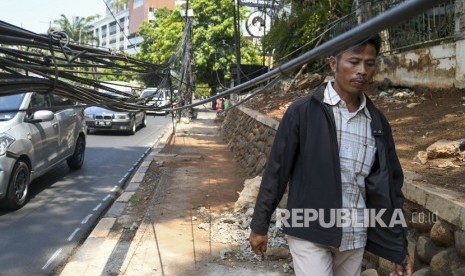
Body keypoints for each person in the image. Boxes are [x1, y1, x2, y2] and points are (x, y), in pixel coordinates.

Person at [249, 33, 412, 276]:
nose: (362, 71)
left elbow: (390, 188)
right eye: (354, 61)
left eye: (369, 63)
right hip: (309, 232)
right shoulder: (302, 112)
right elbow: (276, 170)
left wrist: (399, 248)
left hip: (354, 236)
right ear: (334, 63)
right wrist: (259, 225)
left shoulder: (377, 122)